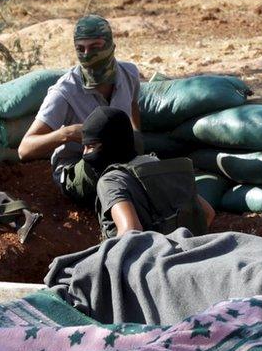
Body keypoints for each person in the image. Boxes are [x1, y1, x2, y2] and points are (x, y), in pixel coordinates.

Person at [18, 14, 141, 205]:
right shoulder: (65, 92)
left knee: (155, 175)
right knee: (117, 183)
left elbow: (133, 107)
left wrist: (135, 139)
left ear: (111, 46)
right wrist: (67, 133)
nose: (87, 54)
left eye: (95, 47)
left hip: (117, 160)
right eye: (80, 48)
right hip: (78, 168)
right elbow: (24, 149)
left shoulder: (129, 74)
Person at [83, 107, 215, 239]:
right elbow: (207, 213)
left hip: (150, 258)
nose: (85, 154)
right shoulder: (157, 164)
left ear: (111, 144)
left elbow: (131, 231)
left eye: (91, 146)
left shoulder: (110, 181)